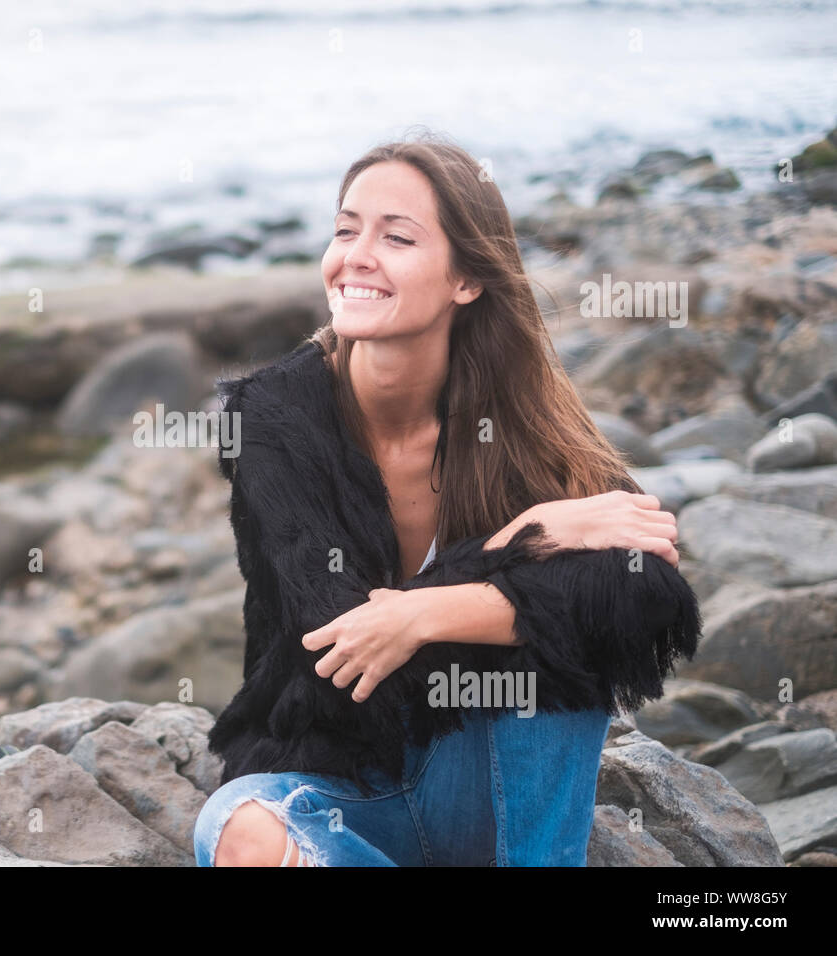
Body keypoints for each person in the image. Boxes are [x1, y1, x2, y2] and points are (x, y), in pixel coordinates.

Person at [193, 132, 701, 867]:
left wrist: (420, 613)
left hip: (481, 788)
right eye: (345, 230)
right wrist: (517, 545)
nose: (356, 255)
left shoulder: (521, 420)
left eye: (396, 237)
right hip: (330, 788)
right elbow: (336, 645)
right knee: (237, 831)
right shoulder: (269, 417)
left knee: (558, 642)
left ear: (465, 280)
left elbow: (648, 592)